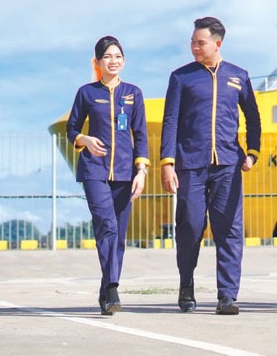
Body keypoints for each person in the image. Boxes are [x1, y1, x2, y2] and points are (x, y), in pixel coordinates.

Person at [160, 16, 261, 315]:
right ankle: (186, 284)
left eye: (199, 42)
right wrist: (168, 163)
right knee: (190, 226)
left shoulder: (238, 76)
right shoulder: (181, 77)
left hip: (228, 165)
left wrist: (252, 153)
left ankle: (227, 295)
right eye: (192, 42)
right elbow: (170, 121)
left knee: (229, 229)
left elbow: (253, 117)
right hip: (190, 164)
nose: (194, 47)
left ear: (218, 43)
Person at [66, 35, 149, 316]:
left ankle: (105, 293)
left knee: (120, 236)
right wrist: (85, 141)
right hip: (94, 171)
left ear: (123, 61)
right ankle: (113, 289)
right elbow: (71, 130)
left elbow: (141, 134)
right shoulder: (87, 93)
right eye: (107, 57)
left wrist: (142, 170)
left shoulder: (133, 93)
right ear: (98, 62)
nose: (113, 61)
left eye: (118, 57)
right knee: (107, 226)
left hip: (126, 174)